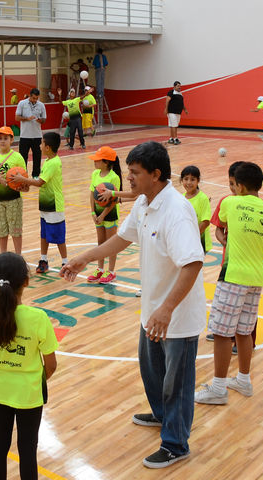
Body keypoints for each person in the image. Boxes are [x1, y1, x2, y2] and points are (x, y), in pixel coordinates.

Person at [60, 141, 206, 469]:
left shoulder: (177, 211)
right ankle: (160, 415)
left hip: (176, 316)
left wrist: (167, 308)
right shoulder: (144, 202)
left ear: (156, 175)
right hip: (152, 310)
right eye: (129, 171)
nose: (128, 178)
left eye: (135, 173)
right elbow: (123, 238)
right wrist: (84, 258)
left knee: (176, 383)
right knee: (151, 370)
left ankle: (176, 442)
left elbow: (193, 263)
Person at [195, 162, 263, 405]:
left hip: (232, 276)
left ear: (239, 186)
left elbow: (220, 224)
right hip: (256, 278)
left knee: (221, 333)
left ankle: (219, 388)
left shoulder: (230, 202)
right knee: (244, 332)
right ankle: (244, 379)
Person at [0, 252, 58, 480]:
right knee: (28, 449)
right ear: (27, 282)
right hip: (29, 393)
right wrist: (32, 380)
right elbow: (51, 365)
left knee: (0, 442)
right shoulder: (38, 318)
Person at [206, 161, 253, 353]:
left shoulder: (252, 207)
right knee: (225, 301)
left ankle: (245, 340)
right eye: (230, 183)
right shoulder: (226, 202)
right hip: (228, 262)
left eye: (235, 184)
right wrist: (223, 241)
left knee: (246, 307)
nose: (232, 188)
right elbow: (218, 229)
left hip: (247, 265)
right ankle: (224, 333)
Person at [11, 132, 67, 274]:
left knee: (59, 237)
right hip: (45, 204)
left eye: (41, 143)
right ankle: (43, 260)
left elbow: (40, 182)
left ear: (47, 147)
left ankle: (65, 262)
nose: (39, 145)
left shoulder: (54, 163)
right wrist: (25, 185)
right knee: (44, 234)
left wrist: (21, 179)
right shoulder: (49, 161)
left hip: (54, 205)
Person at [0, 126, 28, 254]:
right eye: (0, 138)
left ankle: (18, 256)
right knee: (1, 230)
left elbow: (25, 178)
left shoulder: (18, 157)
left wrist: (20, 183)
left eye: (5, 138)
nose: (2, 141)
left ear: (11, 140)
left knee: (16, 230)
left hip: (14, 199)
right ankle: (3, 255)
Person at [86, 146, 122, 285]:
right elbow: (91, 193)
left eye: (97, 160)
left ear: (106, 162)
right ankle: (100, 269)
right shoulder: (95, 174)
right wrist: (93, 212)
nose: (94, 162)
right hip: (98, 214)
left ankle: (111, 271)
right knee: (100, 242)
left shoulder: (114, 177)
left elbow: (114, 200)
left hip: (110, 214)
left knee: (111, 243)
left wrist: (103, 215)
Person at [15, 88, 47, 178]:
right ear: (30, 95)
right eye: (33, 98)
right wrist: (26, 118)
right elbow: (17, 117)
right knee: (22, 158)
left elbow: (44, 119)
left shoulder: (41, 105)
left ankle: (36, 175)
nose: (35, 100)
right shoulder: (22, 103)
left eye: (36, 98)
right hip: (24, 136)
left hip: (37, 136)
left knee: (37, 157)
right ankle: (23, 175)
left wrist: (40, 120)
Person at [180, 165, 212, 253]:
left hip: (198, 241)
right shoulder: (181, 198)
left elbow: (205, 222)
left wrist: (192, 238)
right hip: (185, 241)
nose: (189, 182)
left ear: (198, 181)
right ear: (181, 180)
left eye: (192, 179)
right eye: (186, 179)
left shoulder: (202, 198)